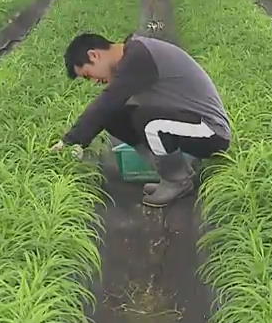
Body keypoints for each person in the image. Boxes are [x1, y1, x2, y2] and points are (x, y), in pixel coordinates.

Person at [53, 32, 231, 207]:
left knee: (149, 122)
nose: (93, 81)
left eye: (87, 75)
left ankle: (177, 181)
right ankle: (169, 174)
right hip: (189, 123)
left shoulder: (138, 56)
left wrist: (70, 141)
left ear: (94, 55)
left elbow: (109, 100)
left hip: (211, 131)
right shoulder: (135, 53)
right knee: (115, 117)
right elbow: (109, 108)